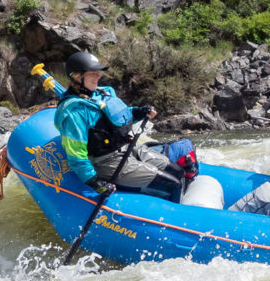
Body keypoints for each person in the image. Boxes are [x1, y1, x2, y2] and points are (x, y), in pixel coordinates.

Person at [53, 51, 198, 201]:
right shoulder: (74, 111)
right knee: (172, 184)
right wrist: (94, 181)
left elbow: (118, 119)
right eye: (92, 73)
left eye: (98, 73)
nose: (98, 76)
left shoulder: (99, 94)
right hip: (106, 162)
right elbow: (76, 154)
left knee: (177, 171)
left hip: (128, 148)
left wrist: (139, 112)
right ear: (77, 76)